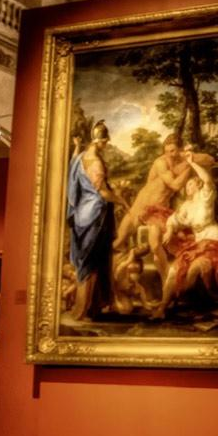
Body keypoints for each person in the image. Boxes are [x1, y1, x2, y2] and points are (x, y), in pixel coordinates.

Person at [112, 134, 214, 277]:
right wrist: (189, 165)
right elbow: (175, 185)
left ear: (180, 149)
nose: (169, 154)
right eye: (166, 151)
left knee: (157, 244)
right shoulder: (161, 163)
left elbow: (210, 160)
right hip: (141, 207)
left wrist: (190, 156)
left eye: (173, 151)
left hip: (159, 211)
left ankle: (166, 276)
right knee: (118, 243)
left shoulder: (183, 159)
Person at [157, 154, 218, 317]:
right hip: (199, 243)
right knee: (174, 270)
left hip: (215, 240)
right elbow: (173, 220)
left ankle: (193, 300)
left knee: (196, 268)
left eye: (190, 184)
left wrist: (192, 163)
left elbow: (207, 179)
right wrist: (169, 230)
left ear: (198, 184)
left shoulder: (206, 196)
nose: (187, 187)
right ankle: (162, 307)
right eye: (186, 185)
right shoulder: (186, 206)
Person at [67, 120, 129, 320]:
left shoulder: (81, 157)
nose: (106, 144)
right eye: (105, 142)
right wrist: (122, 201)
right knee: (93, 261)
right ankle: (83, 308)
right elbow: (103, 193)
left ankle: (93, 306)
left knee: (89, 260)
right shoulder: (96, 163)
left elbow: (72, 166)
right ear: (100, 141)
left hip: (81, 215)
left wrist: (77, 147)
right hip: (95, 216)